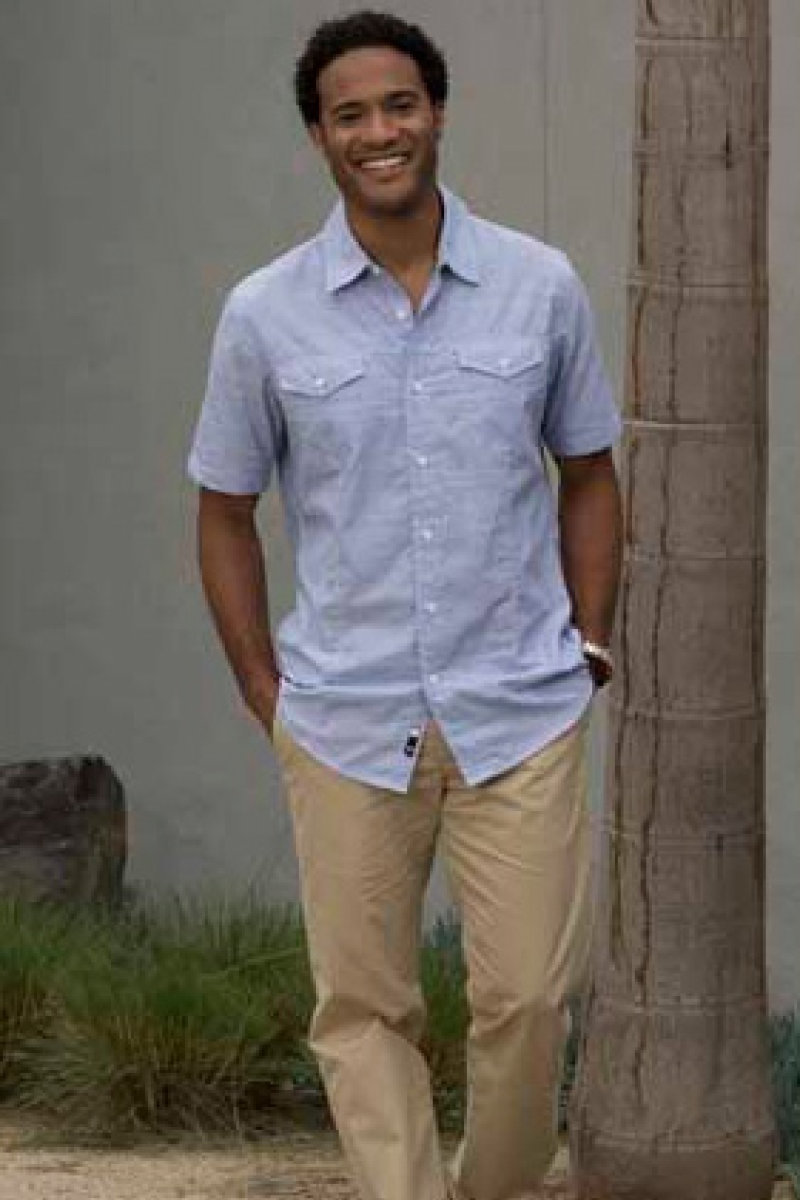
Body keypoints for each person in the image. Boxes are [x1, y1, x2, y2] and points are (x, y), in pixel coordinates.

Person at [188, 11, 623, 1200]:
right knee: (362, 1008)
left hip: (518, 709)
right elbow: (222, 511)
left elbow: (588, 471)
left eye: (398, 105)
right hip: (343, 716)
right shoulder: (264, 313)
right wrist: (265, 692)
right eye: (350, 114)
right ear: (318, 137)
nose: (378, 131)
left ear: (435, 114)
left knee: (528, 998)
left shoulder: (537, 286)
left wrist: (587, 640)